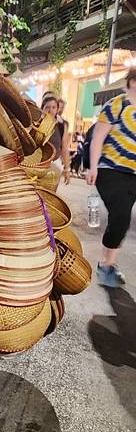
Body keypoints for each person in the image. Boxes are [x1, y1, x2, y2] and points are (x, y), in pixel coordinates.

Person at [87, 67, 136, 287]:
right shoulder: (115, 106)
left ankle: (108, 263)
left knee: (121, 219)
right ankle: (107, 266)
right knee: (121, 215)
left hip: (133, 174)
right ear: (133, 82)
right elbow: (98, 138)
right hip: (111, 170)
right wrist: (93, 167)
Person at [41, 92, 71, 187]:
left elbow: (64, 148)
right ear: (42, 108)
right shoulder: (37, 123)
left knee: (50, 196)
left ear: (57, 109)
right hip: (38, 165)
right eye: (47, 107)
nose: (50, 110)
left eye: (54, 107)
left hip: (55, 164)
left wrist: (67, 169)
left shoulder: (62, 125)